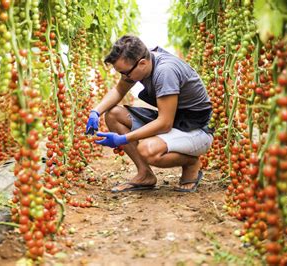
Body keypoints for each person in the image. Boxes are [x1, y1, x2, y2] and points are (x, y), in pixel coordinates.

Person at [86, 35, 213, 193]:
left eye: (125, 73)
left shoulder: (165, 71)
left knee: (147, 149)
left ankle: (191, 163)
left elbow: (164, 123)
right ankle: (145, 174)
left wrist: (123, 138)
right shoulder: (144, 62)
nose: (124, 78)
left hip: (196, 130)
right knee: (112, 114)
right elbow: (119, 90)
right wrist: (95, 112)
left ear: (142, 63)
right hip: (176, 120)